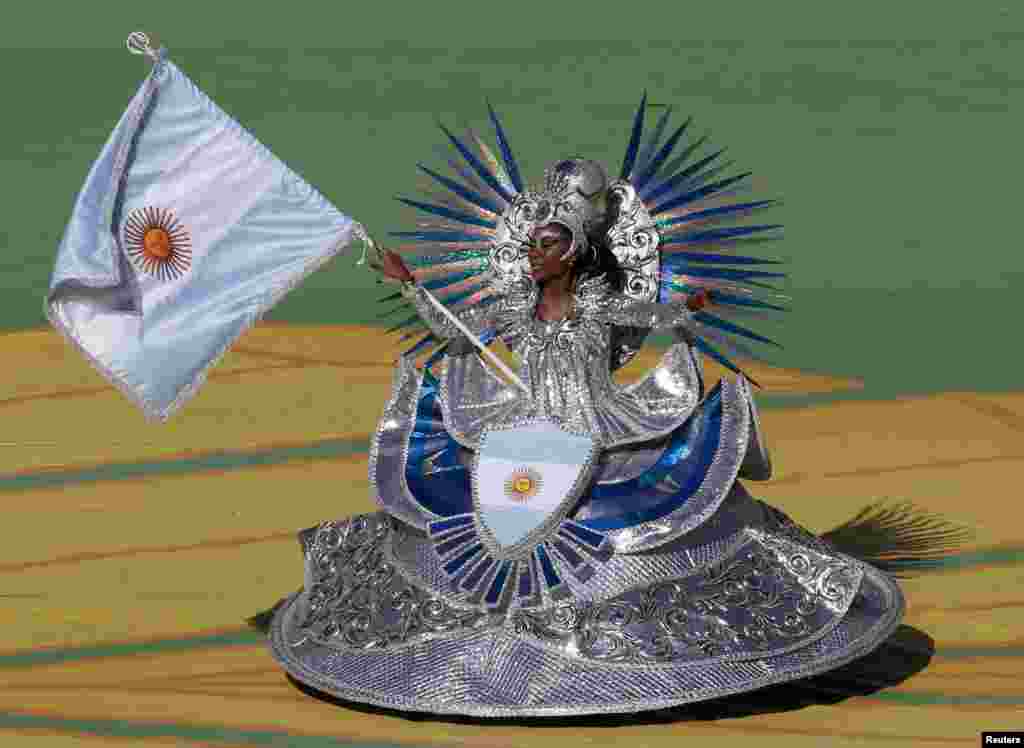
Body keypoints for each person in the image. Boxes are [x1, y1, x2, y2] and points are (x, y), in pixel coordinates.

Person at [265, 105, 904, 718]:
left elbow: (650, 315)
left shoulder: (598, 309)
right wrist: (407, 282)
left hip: (600, 426)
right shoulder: (514, 311)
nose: (530, 256)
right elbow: (453, 329)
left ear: (569, 252)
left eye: (542, 246)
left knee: (650, 498)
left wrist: (687, 308)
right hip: (521, 428)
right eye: (530, 246)